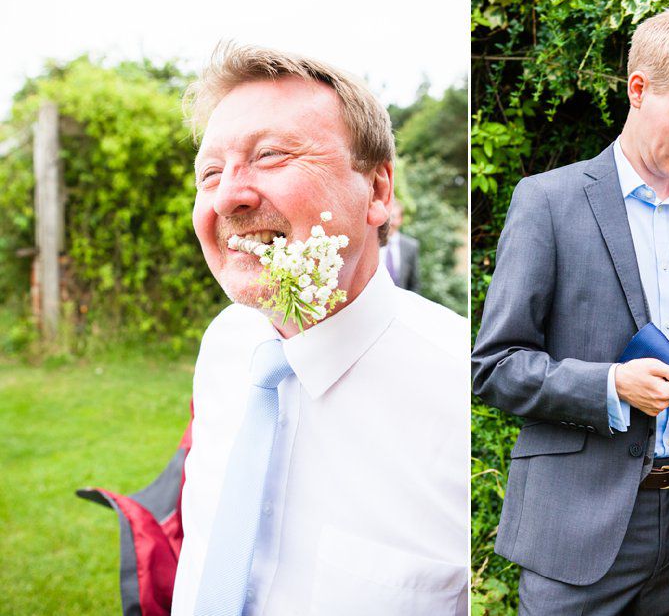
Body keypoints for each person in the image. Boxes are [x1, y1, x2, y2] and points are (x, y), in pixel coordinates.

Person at [472, 9, 669, 615]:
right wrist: (611, 385)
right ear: (638, 89)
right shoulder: (548, 203)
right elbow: (495, 367)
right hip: (579, 525)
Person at [172, 44, 469, 616]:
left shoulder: (460, 388)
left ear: (378, 192)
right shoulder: (226, 345)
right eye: (210, 172)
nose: (230, 195)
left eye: (273, 156)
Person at [380, 199, 421, 292]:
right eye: (387, 217)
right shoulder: (372, 243)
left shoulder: (411, 246)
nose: (389, 222)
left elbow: (414, 284)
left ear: (400, 219)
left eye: (393, 217)